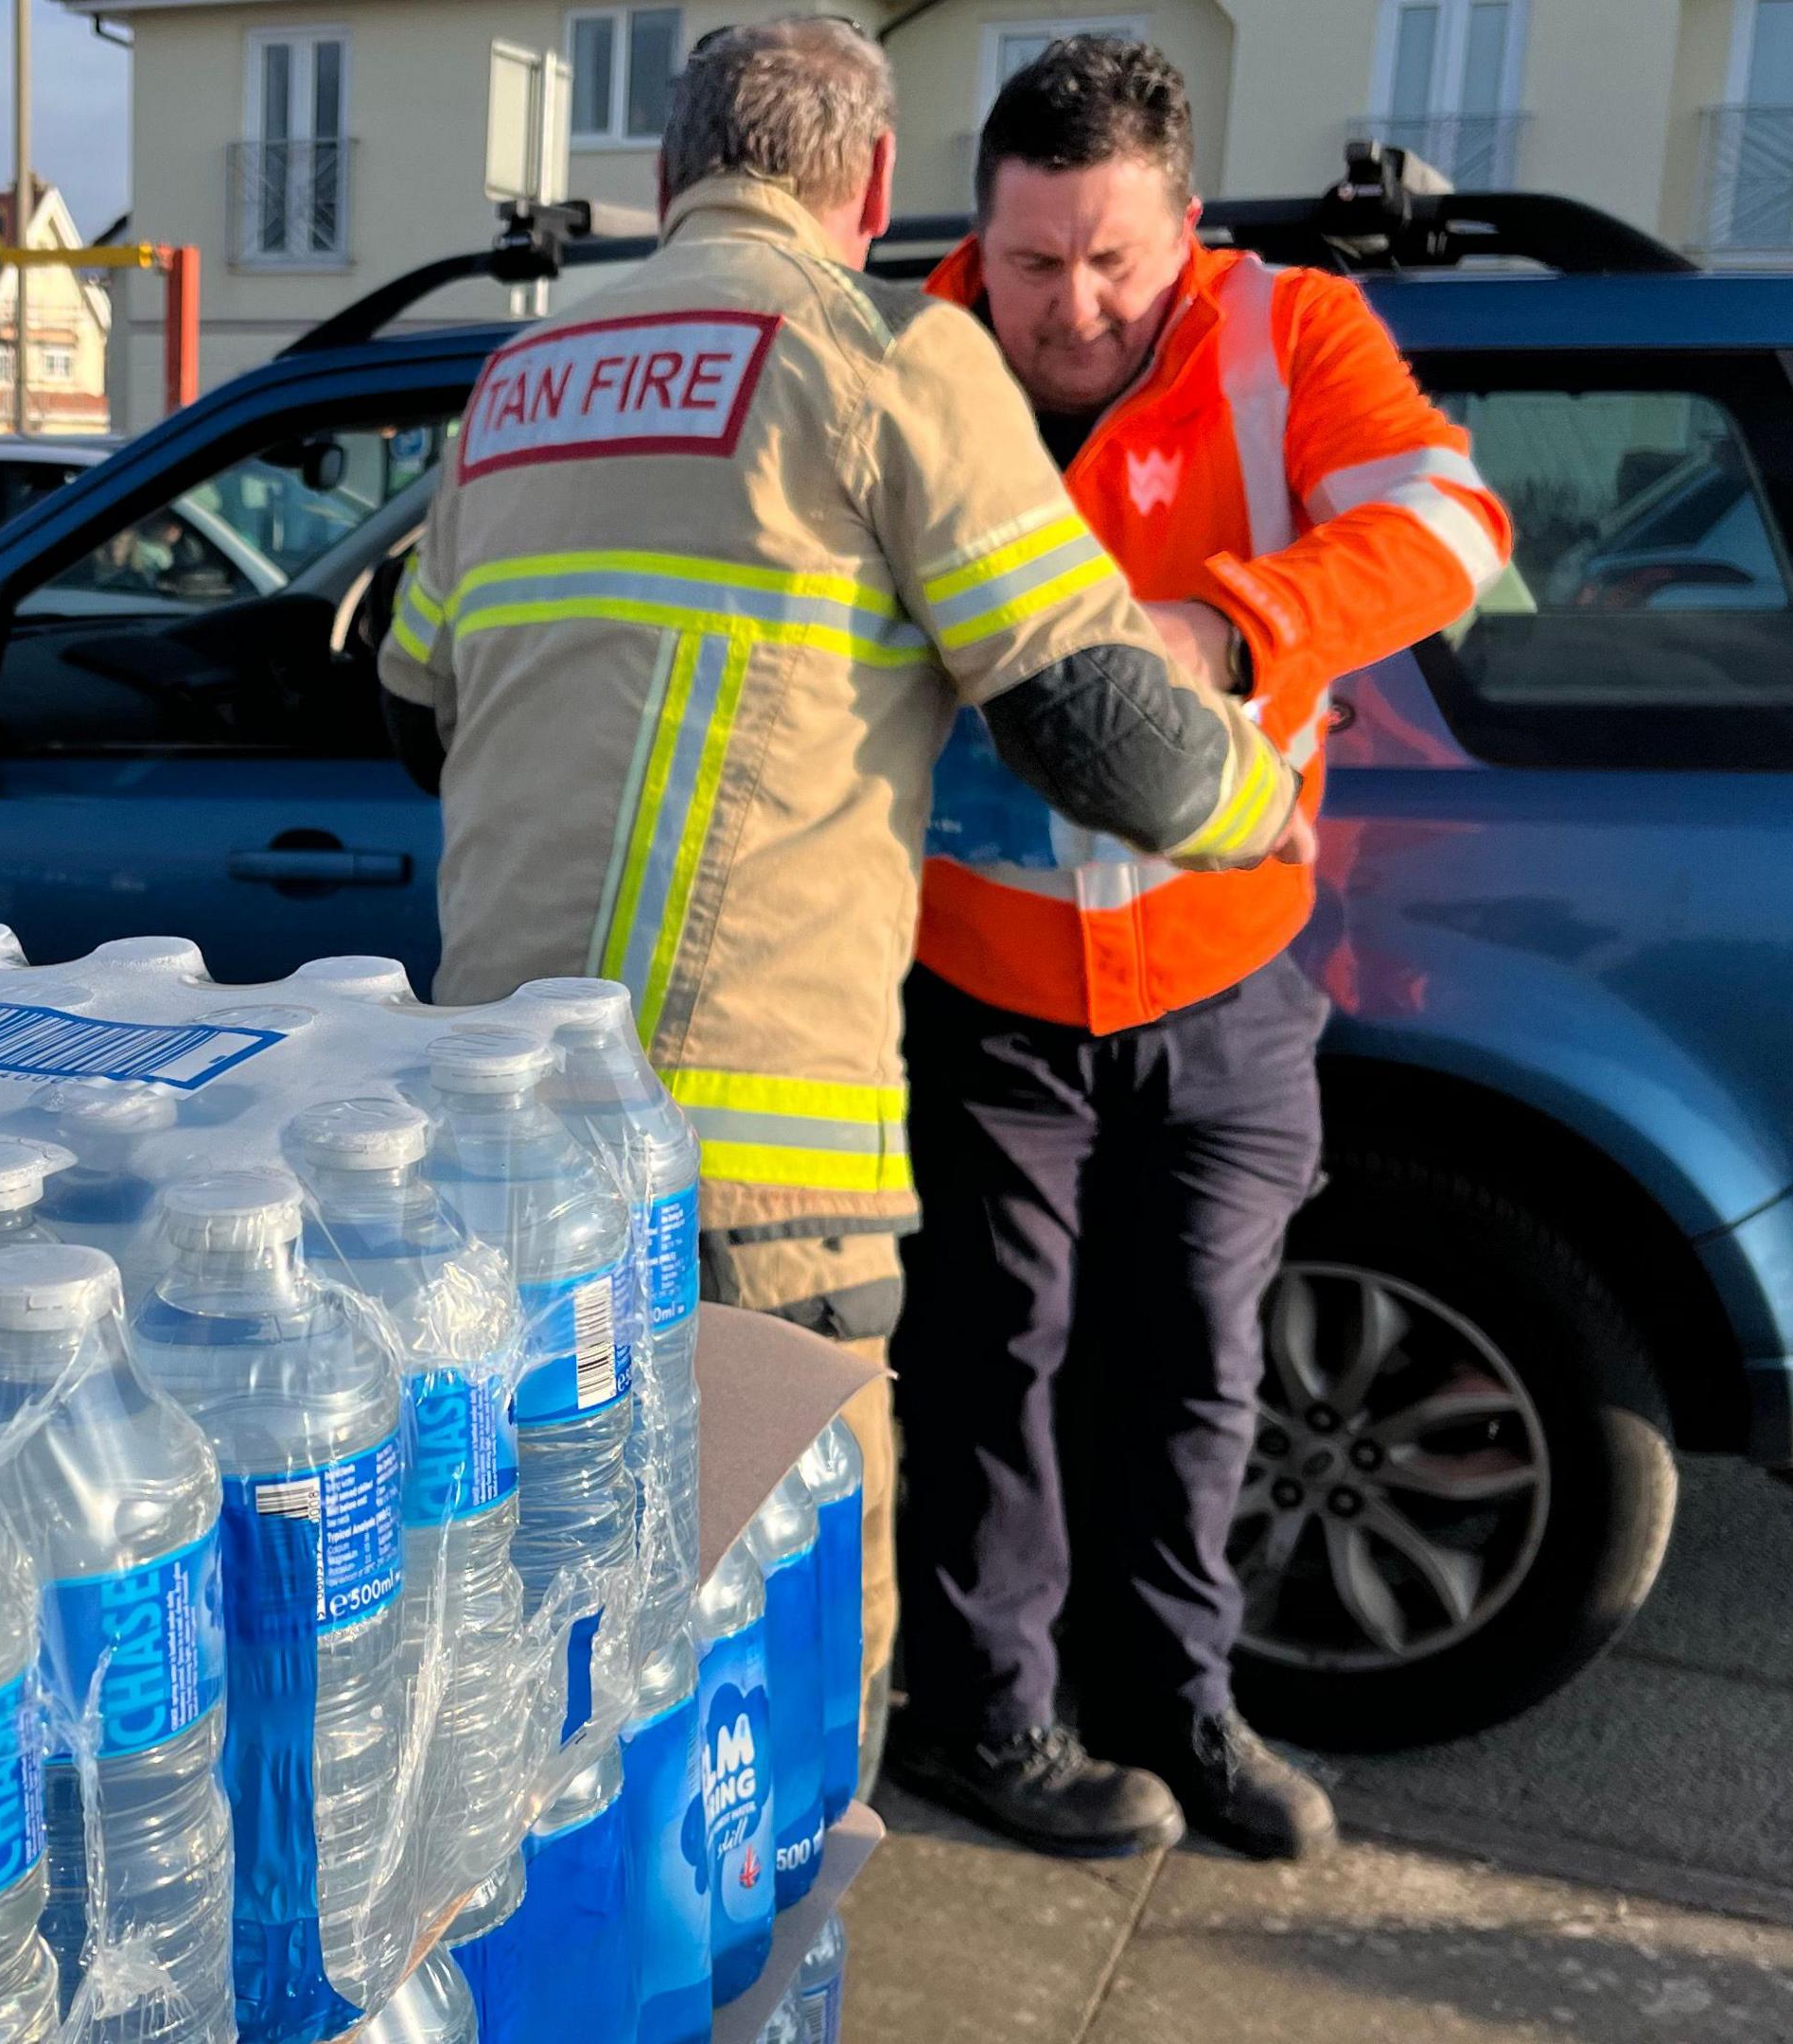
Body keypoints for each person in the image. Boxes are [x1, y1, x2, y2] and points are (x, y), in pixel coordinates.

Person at [379, 14, 1309, 1718]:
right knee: (775, 1690)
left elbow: (413, 704)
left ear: (667, 179)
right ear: (874, 186)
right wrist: (1265, 804)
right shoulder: (888, 354)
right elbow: (1093, 718)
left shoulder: (514, 385)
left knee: (541, 1672)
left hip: (491, 1157)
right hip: (746, 1186)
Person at [890, 37, 1511, 1862]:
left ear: (1188, 232)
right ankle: (985, 1726)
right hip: (983, 982)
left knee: (1198, 1374)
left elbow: (1452, 524)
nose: (1069, 308)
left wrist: (1229, 632)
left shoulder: (1291, 332)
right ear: (972, 241)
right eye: (1028, 263)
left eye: (1111, 263)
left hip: (1226, 978)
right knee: (991, 1368)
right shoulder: (902, 360)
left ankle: (1179, 1710)